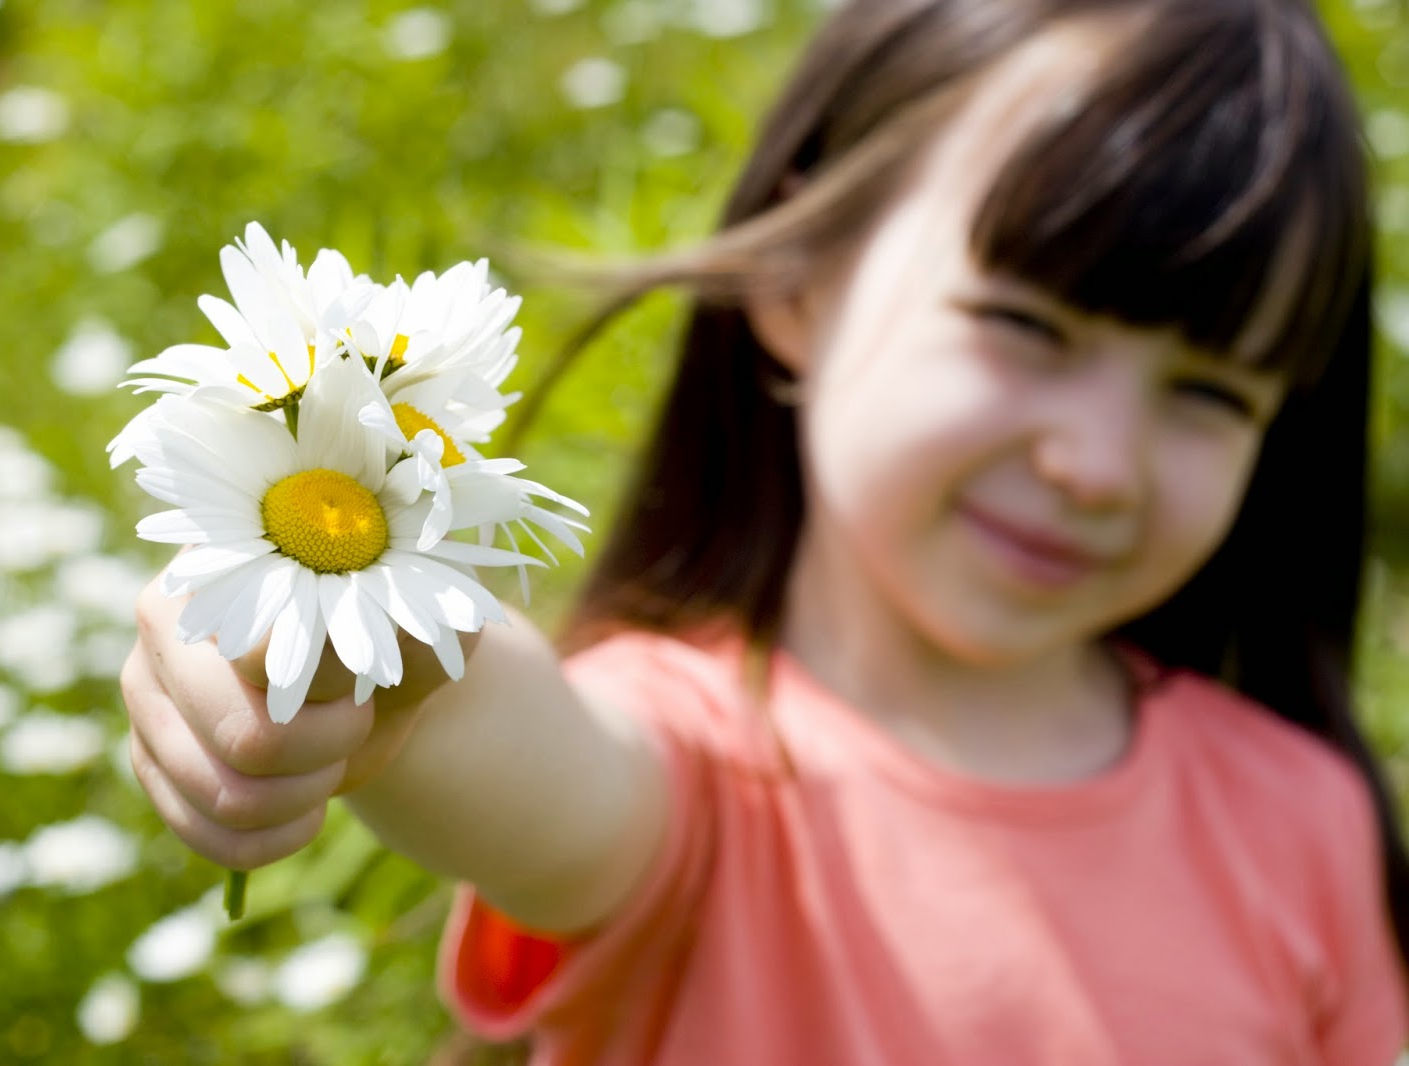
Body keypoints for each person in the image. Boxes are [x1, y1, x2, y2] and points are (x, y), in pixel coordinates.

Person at [121, 0, 1409, 1061]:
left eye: (1209, 394)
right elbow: (524, 754)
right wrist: (377, 668)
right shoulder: (694, 773)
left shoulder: (1307, 823)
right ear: (800, 274)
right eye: (1027, 327)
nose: (1095, 466)